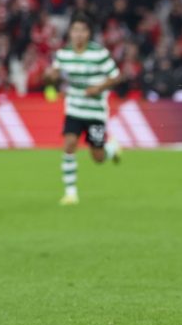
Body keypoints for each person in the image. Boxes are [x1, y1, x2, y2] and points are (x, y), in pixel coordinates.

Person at [44, 13, 123, 206]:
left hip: (95, 111)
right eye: (75, 30)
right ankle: (70, 193)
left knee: (97, 157)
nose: (78, 34)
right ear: (70, 33)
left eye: (83, 30)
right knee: (69, 144)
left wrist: (99, 88)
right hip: (74, 107)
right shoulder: (63, 54)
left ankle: (111, 149)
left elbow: (116, 76)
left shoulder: (99, 53)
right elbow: (51, 80)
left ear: (89, 33)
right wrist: (49, 78)